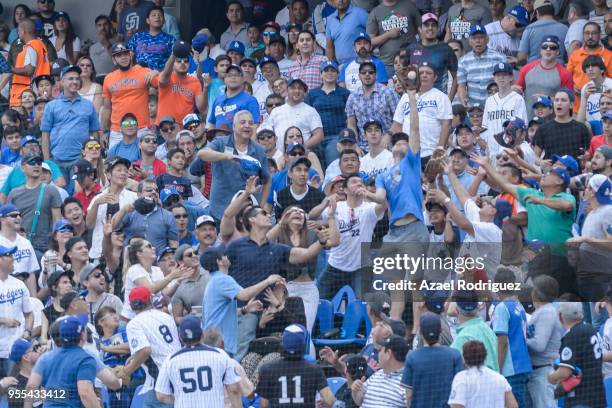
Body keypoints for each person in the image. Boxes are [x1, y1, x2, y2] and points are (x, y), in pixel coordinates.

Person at [202, 245, 283, 358]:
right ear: (219, 261)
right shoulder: (222, 279)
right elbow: (245, 295)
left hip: (214, 342)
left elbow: (221, 312)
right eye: (223, 255)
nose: (227, 257)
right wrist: (267, 281)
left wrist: (245, 310)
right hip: (218, 344)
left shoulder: (214, 279)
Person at [316, 173, 385, 299]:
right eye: (354, 182)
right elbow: (312, 216)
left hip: (361, 268)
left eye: (361, 182)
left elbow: (384, 203)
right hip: (335, 266)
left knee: (362, 306)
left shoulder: (369, 209)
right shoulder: (336, 207)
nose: (359, 184)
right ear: (345, 190)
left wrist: (368, 194)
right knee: (318, 301)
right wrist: (324, 203)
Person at [198, 110, 271, 223]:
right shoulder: (220, 143)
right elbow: (202, 154)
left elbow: (267, 180)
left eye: (251, 123)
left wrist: (260, 207)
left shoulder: (259, 150)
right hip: (220, 210)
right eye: (243, 122)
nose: (247, 125)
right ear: (234, 126)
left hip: (248, 214)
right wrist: (226, 156)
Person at [155, 315, 242, 407]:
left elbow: (161, 396)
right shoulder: (220, 355)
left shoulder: (170, 360)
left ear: (180, 337)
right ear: (202, 334)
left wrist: (180, 398)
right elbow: (234, 389)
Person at [121, 286, 181, 407]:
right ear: (150, 300)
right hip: (179, 369)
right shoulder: (166, 316)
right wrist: (134, 356)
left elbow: (145, 350)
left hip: (163, 376)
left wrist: (127, 371)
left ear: (131, 305)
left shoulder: (134, 323)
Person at [23, 315, 98, 408]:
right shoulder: (85, 359)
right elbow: (85, 393)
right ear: (82, 336)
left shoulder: (45, 358)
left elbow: (31, 386)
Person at [257, 323, 336, 408]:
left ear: (283, 344)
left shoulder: (267, 369)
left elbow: (264, 405)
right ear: (303, 345)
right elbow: (330, 400)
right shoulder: (314, 369)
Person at [392, 61, 453, 164]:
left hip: (431, 151)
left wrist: (440, 149)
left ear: (435, 77)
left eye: (428, 73)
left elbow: (446, 124)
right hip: (409, 152)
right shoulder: (405, 96)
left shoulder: (441, 97)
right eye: (421, 73)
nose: (424, 75)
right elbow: (397, 124)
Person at [547, 302, 605, 407]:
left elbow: (565, 372)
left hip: (581, 398)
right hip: (598, 395)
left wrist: (550, 377)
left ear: (561, 316)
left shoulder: (572, 336)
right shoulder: (591, 329)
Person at [402, 312, 464, 407]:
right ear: (441, 330)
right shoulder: (454, 355)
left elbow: (409, 395)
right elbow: (460, 391)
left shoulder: (412, 357)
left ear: (420, 332)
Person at [102, 42, 157, 148]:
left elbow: (163, 85)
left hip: (141, 128)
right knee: (115, 162)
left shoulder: (144, 72)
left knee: (143, 162)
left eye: (125, 54)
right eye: (119, 55)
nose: (123, 57)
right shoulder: (108, 78)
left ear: (130, 55)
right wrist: (104, 131)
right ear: (114, 60)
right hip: (117, 130)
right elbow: (107, 107)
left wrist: (157, 72)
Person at [490, 268, 532, 407]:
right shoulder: (518, 305)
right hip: (523, 365)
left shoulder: (502, 308)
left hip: (511, 369)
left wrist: (497, 370)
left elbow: (502, 343)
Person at [7, 153, 61, 255]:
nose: (36, 165)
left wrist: (55, 248)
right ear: (23, 168)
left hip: (45, 247)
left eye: (39, 163)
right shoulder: (14, 193)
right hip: (21, 247)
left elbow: (57, 221)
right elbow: (8, 223)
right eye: (32, 162)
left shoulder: (51, 190)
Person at [86, 156, 138, 260]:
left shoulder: (133, 197)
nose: (123, 173)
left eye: (126, 171)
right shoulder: (98, 197)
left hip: (125, 251)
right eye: (119, 170)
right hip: (99, 251)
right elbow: (89, 225)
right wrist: (96, 204)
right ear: (109, 175)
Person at [514, 36, 573, 118]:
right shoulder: (526, 69)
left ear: (558, 52)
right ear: (540, 51)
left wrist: (549, 98)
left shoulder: (564, 73)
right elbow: (517, 91)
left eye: (552, 47)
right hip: (529, 120)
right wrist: (512, 88)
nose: (548, 49)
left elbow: (569, 101)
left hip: (552, 122)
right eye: (545, 47)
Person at [346, 61, 399, 152]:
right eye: (363, 72)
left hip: (387, 145)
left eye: (371, 72)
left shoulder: (388, 92)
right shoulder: (352, 97)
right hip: (363, 147)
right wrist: (355, 145)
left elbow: (398, 120)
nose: (367, 75)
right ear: (359, 76)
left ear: (376, 75)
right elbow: (351, 124)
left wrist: (389, 135)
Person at [448, 340, 518, 408]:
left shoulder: (461, 378)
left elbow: (456, 405)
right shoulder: (499, 378)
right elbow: (513, 406)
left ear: (464, 357)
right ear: (485, 355)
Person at [526, 275, 561, 408]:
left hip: (543, 372)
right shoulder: (545, 311)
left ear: (536, 292)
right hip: (540, 371)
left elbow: (539, 345)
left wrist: (522, 340)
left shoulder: (546, 312)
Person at [0, 244, 34, 378]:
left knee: (11, 391)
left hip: (14, 349)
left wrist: (27, 331)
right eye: (9, 255)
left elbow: (29, 313)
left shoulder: (19, 284)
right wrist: (3, 320)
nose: (13, 258)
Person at [406, 13, 458, 97]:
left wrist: (449, 98)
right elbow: (405, 74)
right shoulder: (411, 49)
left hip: (439, 99)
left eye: (433, 25)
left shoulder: (446, 49)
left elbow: (456, 77)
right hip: (417, 98)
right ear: (420, 29)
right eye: (426, 25)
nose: (430, 28)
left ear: (437, 29)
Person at [265, 78, 323, 151]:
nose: (296, 91)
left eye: (300, 88)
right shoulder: (276, 111)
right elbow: (268, 133)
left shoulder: (311, 111)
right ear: (287, 91)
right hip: (279, 155)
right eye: (293, 88)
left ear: (304, 93)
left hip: (300, 156)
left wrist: (302, 147)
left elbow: (319, 135)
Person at [351, 335, 408, 407]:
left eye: (380, 350)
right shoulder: (377, 374)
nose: (378, 354)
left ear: (388, 354)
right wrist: (356, 392)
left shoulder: (407, 382)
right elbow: (359, 402)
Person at [367, 0, 420, 77]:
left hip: (411, 61)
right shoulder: (375, 12)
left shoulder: (409, 6)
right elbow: (370, 41)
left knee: (413, 87)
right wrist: (388, 35)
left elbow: (421, 29)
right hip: (388, 64)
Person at [533, 89, 591, 160]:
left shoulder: (581, 128)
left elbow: (589, 153)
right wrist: (540, 162)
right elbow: (535, 156)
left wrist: (586, 157)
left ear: (571, 105)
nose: (559, 103)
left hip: (574, 170)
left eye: (563, 100)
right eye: (556, 100)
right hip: (552, 170)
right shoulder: (543, 129)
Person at [567, 21, 612, 111]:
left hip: (602, 107)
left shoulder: (609, 55)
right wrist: (573, 86)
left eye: (594, 33)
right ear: (583, 34)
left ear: (600, 34)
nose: (590, 36)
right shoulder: (575, 55)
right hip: (578, 107)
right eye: (587, 33)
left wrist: (596, 91)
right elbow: (567, 78)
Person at [457, 25, 506, 107]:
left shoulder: (499, 58)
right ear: (469, 41)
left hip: (496, 105)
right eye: (474, 38)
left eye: (481, 37)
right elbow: (461, 86)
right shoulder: (463, 61)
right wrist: (463, 99)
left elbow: (507, 82)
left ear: (487, 40)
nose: (478, 41)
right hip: (473, 109)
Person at [154, 52, 204, 128]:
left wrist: (206, 87)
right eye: (178, 61)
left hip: (185, 127)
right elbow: (163, 79)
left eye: (186, 61)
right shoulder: (166, 76)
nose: (183, 63)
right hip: (164, 127)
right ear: (173, 64)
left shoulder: (195, 81)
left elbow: (201, 107)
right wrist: (174, 53)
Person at [10, 20, 51, 108]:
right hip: (37, 90)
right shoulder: (40, 44)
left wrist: (10, 68)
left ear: (23, 31)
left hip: (27, 94)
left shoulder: (31, 46)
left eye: (19, 31)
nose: (18, 33)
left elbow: (29, 70)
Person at [0, 204, 39, 296]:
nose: (18, 218)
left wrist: (33, 299)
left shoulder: (26, 243)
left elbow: (31, 274)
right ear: (2, 219)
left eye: (19, 215)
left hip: (24, 294)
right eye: (14, 215)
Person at [206, 64, 260, 130]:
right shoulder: (218, 100)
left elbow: (255, 126)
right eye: (229, 75)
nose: (233, 77)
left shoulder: (250, 100)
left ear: (243, 79)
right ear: (225, 79)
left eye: (237, 75)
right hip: (219, 139)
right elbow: (212, 124)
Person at [169, 244, 209, 324]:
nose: (194, 256)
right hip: (198, 329)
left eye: (195, 253)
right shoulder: (178, 286)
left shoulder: (210, 274)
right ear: (180, 262)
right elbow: (176, 319)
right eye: (189, 255)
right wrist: (189, 318)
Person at [127, 5, 174, 71]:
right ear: (148, 20)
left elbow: (175, 60)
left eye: (160, 15)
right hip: (139, 75)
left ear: (163, 21)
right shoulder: (137, 36)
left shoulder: (170, 39)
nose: (157, 17)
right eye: (153, 15)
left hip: (160, 77)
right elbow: (129, 56)